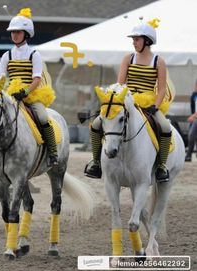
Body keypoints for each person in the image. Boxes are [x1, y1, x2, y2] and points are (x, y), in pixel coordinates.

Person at [84, 18, 172, 183]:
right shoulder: (128, 58)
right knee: (96, 124)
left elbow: (161, 89)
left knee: (165, 127)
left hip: (148, 102)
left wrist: (155, 106)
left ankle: (161, 166)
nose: (134, 42)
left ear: (147, 41)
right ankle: (96, 162)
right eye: (133, 39)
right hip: (127, 100)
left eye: (136, 39)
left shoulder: (158, 61)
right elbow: (120, 84)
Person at [0, 8, 58, 166]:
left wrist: (25, 92)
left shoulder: (34, 54)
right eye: (12, 32)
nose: (14, 35)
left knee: (43, 117)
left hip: (30, 93)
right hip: (11, 95)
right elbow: (1, 78)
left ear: (26, 34)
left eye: (18, 32)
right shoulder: (6, 56)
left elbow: (37, 78)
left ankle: (52, 152)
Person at [185, 81, 197, 161]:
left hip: (195, 118)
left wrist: (193, 116)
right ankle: (189, 156)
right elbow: (193, 108)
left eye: (195, 85)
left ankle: (188, 155)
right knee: (191, 136)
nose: (194, 87)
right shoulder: (194, 95)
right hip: (195, 119)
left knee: (191, 135)